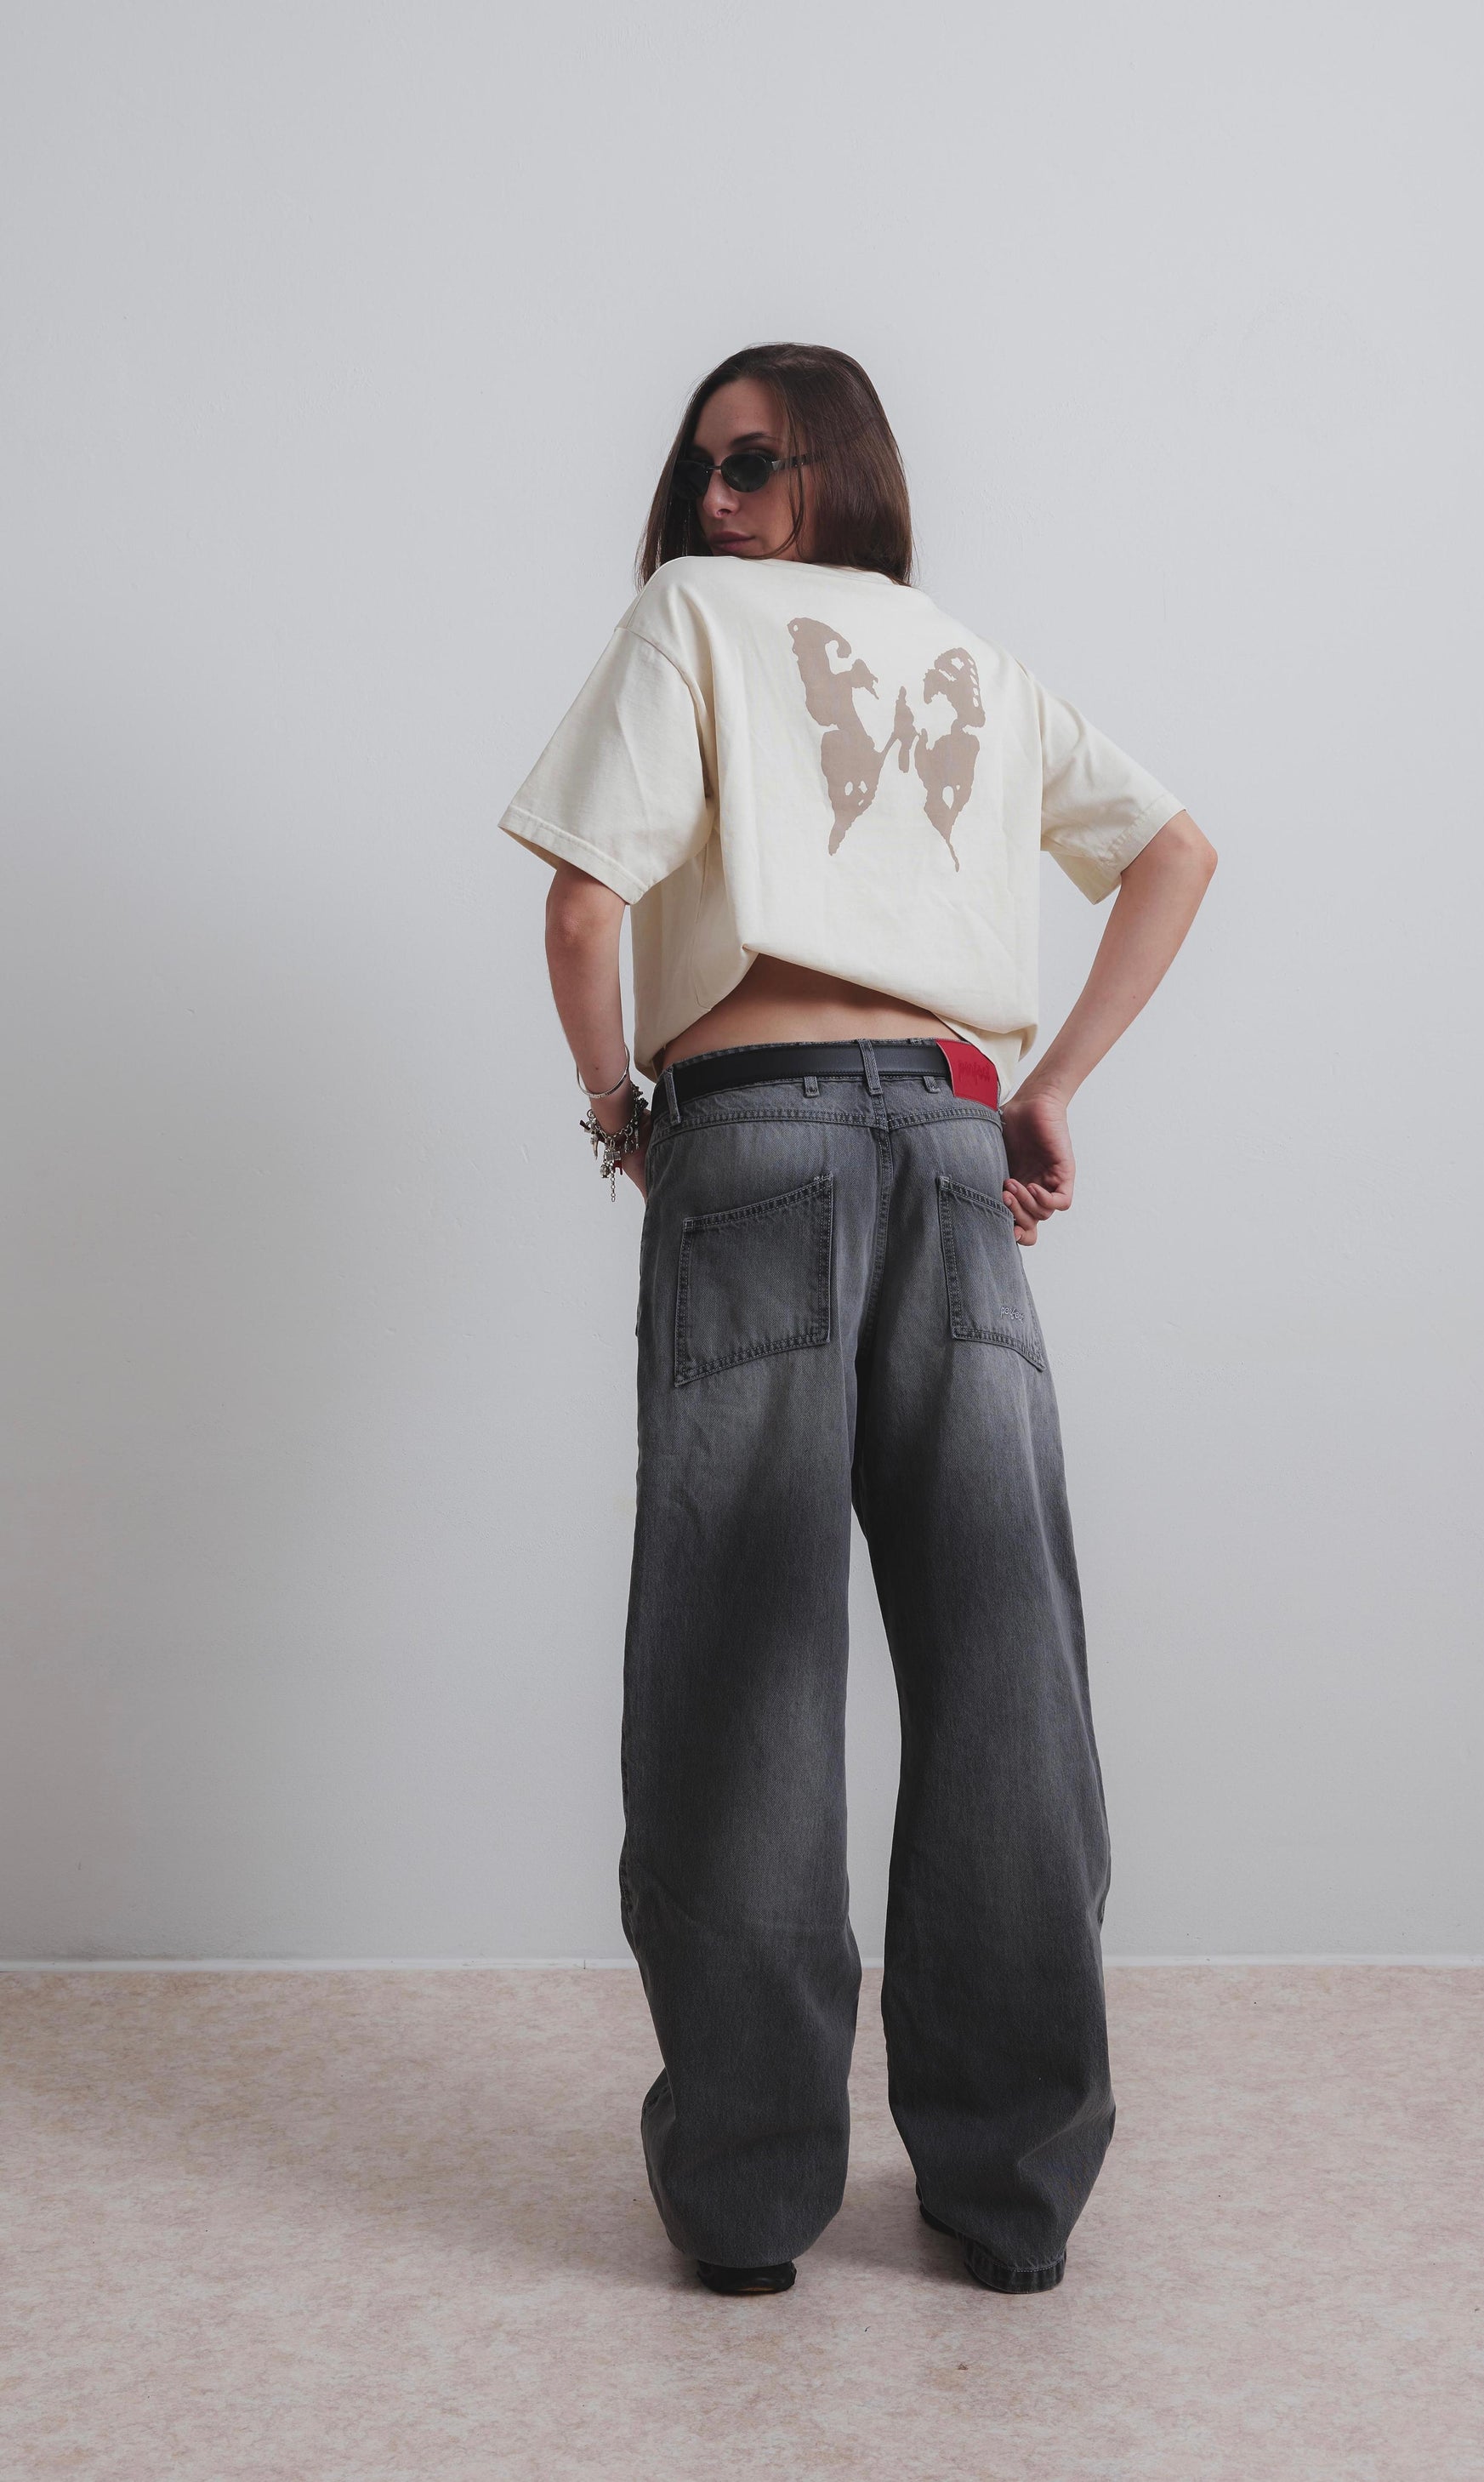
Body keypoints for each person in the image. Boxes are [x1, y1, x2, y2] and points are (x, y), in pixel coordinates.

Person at [496, 342, 1216, 2300]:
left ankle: (747, 2198)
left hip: (751, 1144)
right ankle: (1011, 2192)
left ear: (837, 467)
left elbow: (581, 910)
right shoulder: (972, 657)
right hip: (959, 1153)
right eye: (698, 471)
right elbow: (1175, 849)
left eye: (750, 462)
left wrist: (615, 1113)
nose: (714, 501)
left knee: (742, 1662)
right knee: (1005, 1661)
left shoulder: (690, 618)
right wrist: (1045, 1088)